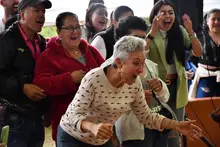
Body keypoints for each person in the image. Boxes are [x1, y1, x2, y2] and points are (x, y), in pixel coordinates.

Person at [57, 36, 202, 147]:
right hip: (73, 137)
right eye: (136, 63)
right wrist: (93, 127)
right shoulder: (94, 78)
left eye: (143, 63)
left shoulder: (134, 84)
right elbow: (73, 115)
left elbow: (147, 117)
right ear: (119, 63)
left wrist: (177, 125)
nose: (141, 69)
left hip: (100, 141)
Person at [33, 12, 105, 142]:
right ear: (59, 32)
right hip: (66, 123)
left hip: (95, 122)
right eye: (69, 28)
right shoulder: (49, 55)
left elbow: (106, 73)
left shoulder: (90, 50)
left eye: (77, 27)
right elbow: (40, 83)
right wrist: (69, 79)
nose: (75, 32)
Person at [105, 16, 175, 147]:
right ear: (122, 40)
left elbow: (164, 97)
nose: (142, 42)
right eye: (136, 38)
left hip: (158, 123)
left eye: (143, 38)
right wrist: (137, 98)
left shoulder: (148, 64)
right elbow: (107, 103)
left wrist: (160, 88)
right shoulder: (110, 67)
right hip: (134, 129)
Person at [146, 0, 202, 147]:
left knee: (175, 132)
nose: (167, 16)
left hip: (177, 87)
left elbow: (198, 52)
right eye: (163, 13)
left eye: (170, 13)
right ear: (155, 16)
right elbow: (141, 53)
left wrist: (190, 31)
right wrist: (152, 33)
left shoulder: (180, 31)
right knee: (159, 129)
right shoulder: (148, 32)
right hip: (156, 89)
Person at [0, 0, 52, 146]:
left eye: (44, 12)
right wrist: (23, 87)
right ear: (22, 15)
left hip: (36, 117)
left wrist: (47, 108)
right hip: (13, 119)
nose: (41, 15)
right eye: (36, 10)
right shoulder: (6, 41)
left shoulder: (42, 42)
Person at [189, 8, 220, 98]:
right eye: (213, 19)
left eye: (219, 19)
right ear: (207, 21)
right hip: (205, 76)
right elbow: (191, 56)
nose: (217, 22)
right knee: (203, 106)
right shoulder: (199, 36)